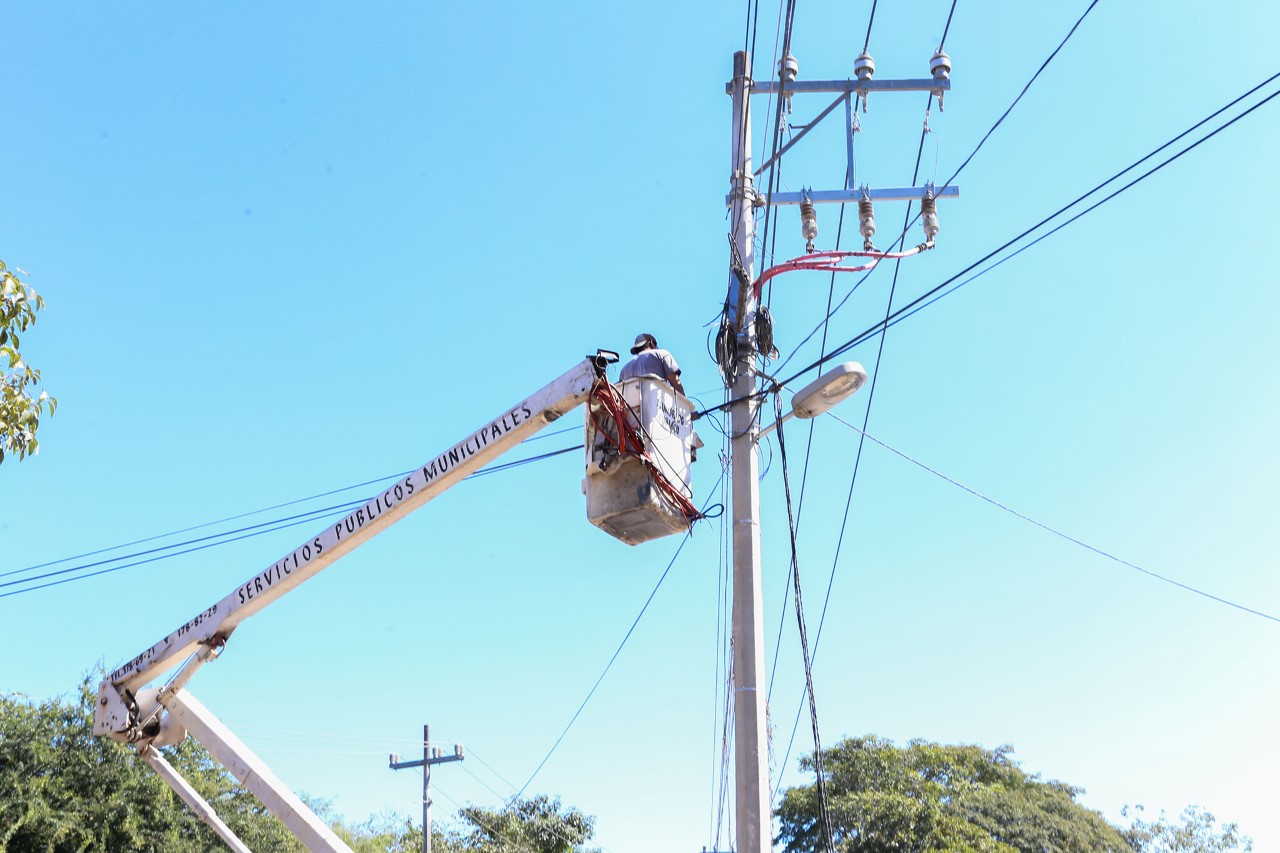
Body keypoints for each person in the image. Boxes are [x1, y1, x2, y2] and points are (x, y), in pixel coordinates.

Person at [620, 333, 684, 395]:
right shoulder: (662, 354)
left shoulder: (624, 370)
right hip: (656, 402)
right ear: (651, 343)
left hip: (631, 405)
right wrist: (685, 403)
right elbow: (675, 381)